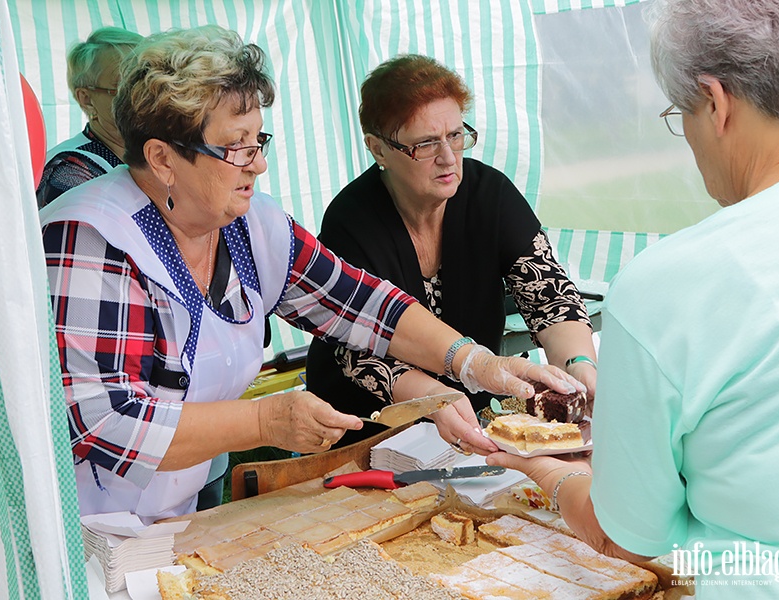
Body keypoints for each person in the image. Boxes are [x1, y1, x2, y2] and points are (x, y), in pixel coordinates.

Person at [39, 25, 584, 524]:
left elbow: (362, 304)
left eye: (260, 141)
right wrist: (264, 423)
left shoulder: (252, 224)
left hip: (177, 508)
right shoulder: (93, 239)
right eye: (236, 147)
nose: (258, 164)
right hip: (86, 522)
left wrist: (476, 363)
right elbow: (107, 422)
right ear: (162, 158)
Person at [487, 0, 779, 597]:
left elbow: (630, 538)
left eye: (681, 115)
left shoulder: (670, 285)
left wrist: (544, 469)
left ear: (716, 102)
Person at [306, 54, 597, 454]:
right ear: (378, 149)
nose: (447, 157)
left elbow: (549, 296)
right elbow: (356, 350)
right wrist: (434, 398)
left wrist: (579, 367)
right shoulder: (350, 221)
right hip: (365, 430)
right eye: (425, 144)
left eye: (456, 136)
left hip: (472, 420)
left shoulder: (489, 196)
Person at [35, 27, 142, 208]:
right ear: (86, 99)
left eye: (150, 82)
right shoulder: (68, 173)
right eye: (126, 87)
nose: (145, 96)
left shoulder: (154, 152)